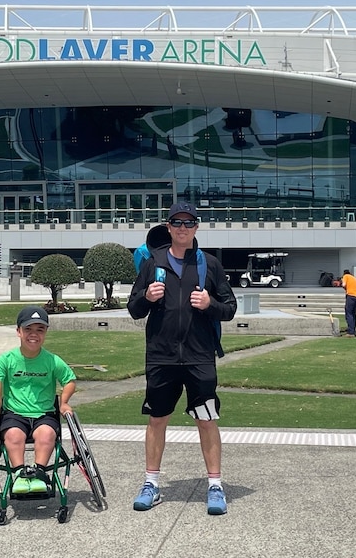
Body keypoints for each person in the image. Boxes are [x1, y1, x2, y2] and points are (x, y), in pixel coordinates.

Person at [127, 202, 237, 515]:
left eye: (189, 223)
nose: (183, 228)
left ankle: (215, 486)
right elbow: (134, 308)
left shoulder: (209, 264)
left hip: (199, 357)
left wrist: (209, 303)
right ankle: (151, 483)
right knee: (157, 419)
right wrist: (147, 297)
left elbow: (229, 308)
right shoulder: (153, 263)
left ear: (196, 228)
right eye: (177, 222)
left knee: (206, 419)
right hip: (161, 358)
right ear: (169, 226)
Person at [0, 305, 77, 495]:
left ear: (45, 333)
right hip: (14, 413)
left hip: (44, 413)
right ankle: (20, 475)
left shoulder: (52, 360)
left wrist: (65, 401)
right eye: (28, 329)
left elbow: (69, 381)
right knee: (13, 436)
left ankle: (38, 474)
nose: (33, 335)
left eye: (39, 330)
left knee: (47, 435)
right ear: (18, 331)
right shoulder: (7, 359)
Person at [338, 269, 356, 337]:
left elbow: (344, 284)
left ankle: (350, 332)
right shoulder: (353, 278)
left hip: (350, 296)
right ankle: (353, 329)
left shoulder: (346, 276)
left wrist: (341, 284)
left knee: (349, 313)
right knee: (354, 314)